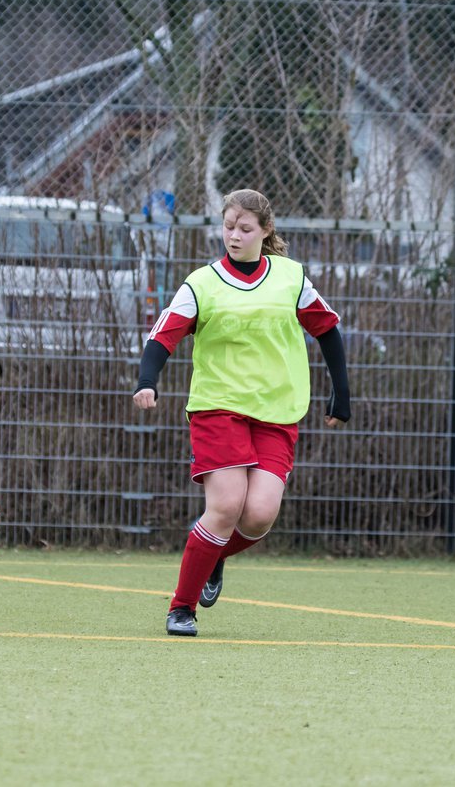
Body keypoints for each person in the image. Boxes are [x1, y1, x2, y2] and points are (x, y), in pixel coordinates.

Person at [134, 189, 351, 636]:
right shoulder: (202, 283)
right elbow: (163, 337)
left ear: (265, 232)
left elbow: (327, 330)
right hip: (219, 408)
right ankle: (182, 608)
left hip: (276, 411)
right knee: (227, 505)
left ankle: (211, 556)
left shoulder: (291, 278)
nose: (234, 235)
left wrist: (341, 392)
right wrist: (147, 381)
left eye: (245, 229)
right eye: (229, 226)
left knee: (259, 515)